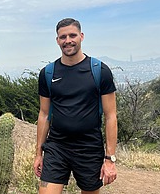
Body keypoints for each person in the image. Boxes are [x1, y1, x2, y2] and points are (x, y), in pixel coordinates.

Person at [33, 18, 118, 194]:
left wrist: (109, 159)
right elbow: (44, 114)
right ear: (57, 40)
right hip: (57, 146)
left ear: (81, 36)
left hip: (89, 148)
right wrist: (38, 154)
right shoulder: (48, 73)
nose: (68, 40)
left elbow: (111, 116)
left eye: (72, 35)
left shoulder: (100, 71)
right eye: (63, 37)